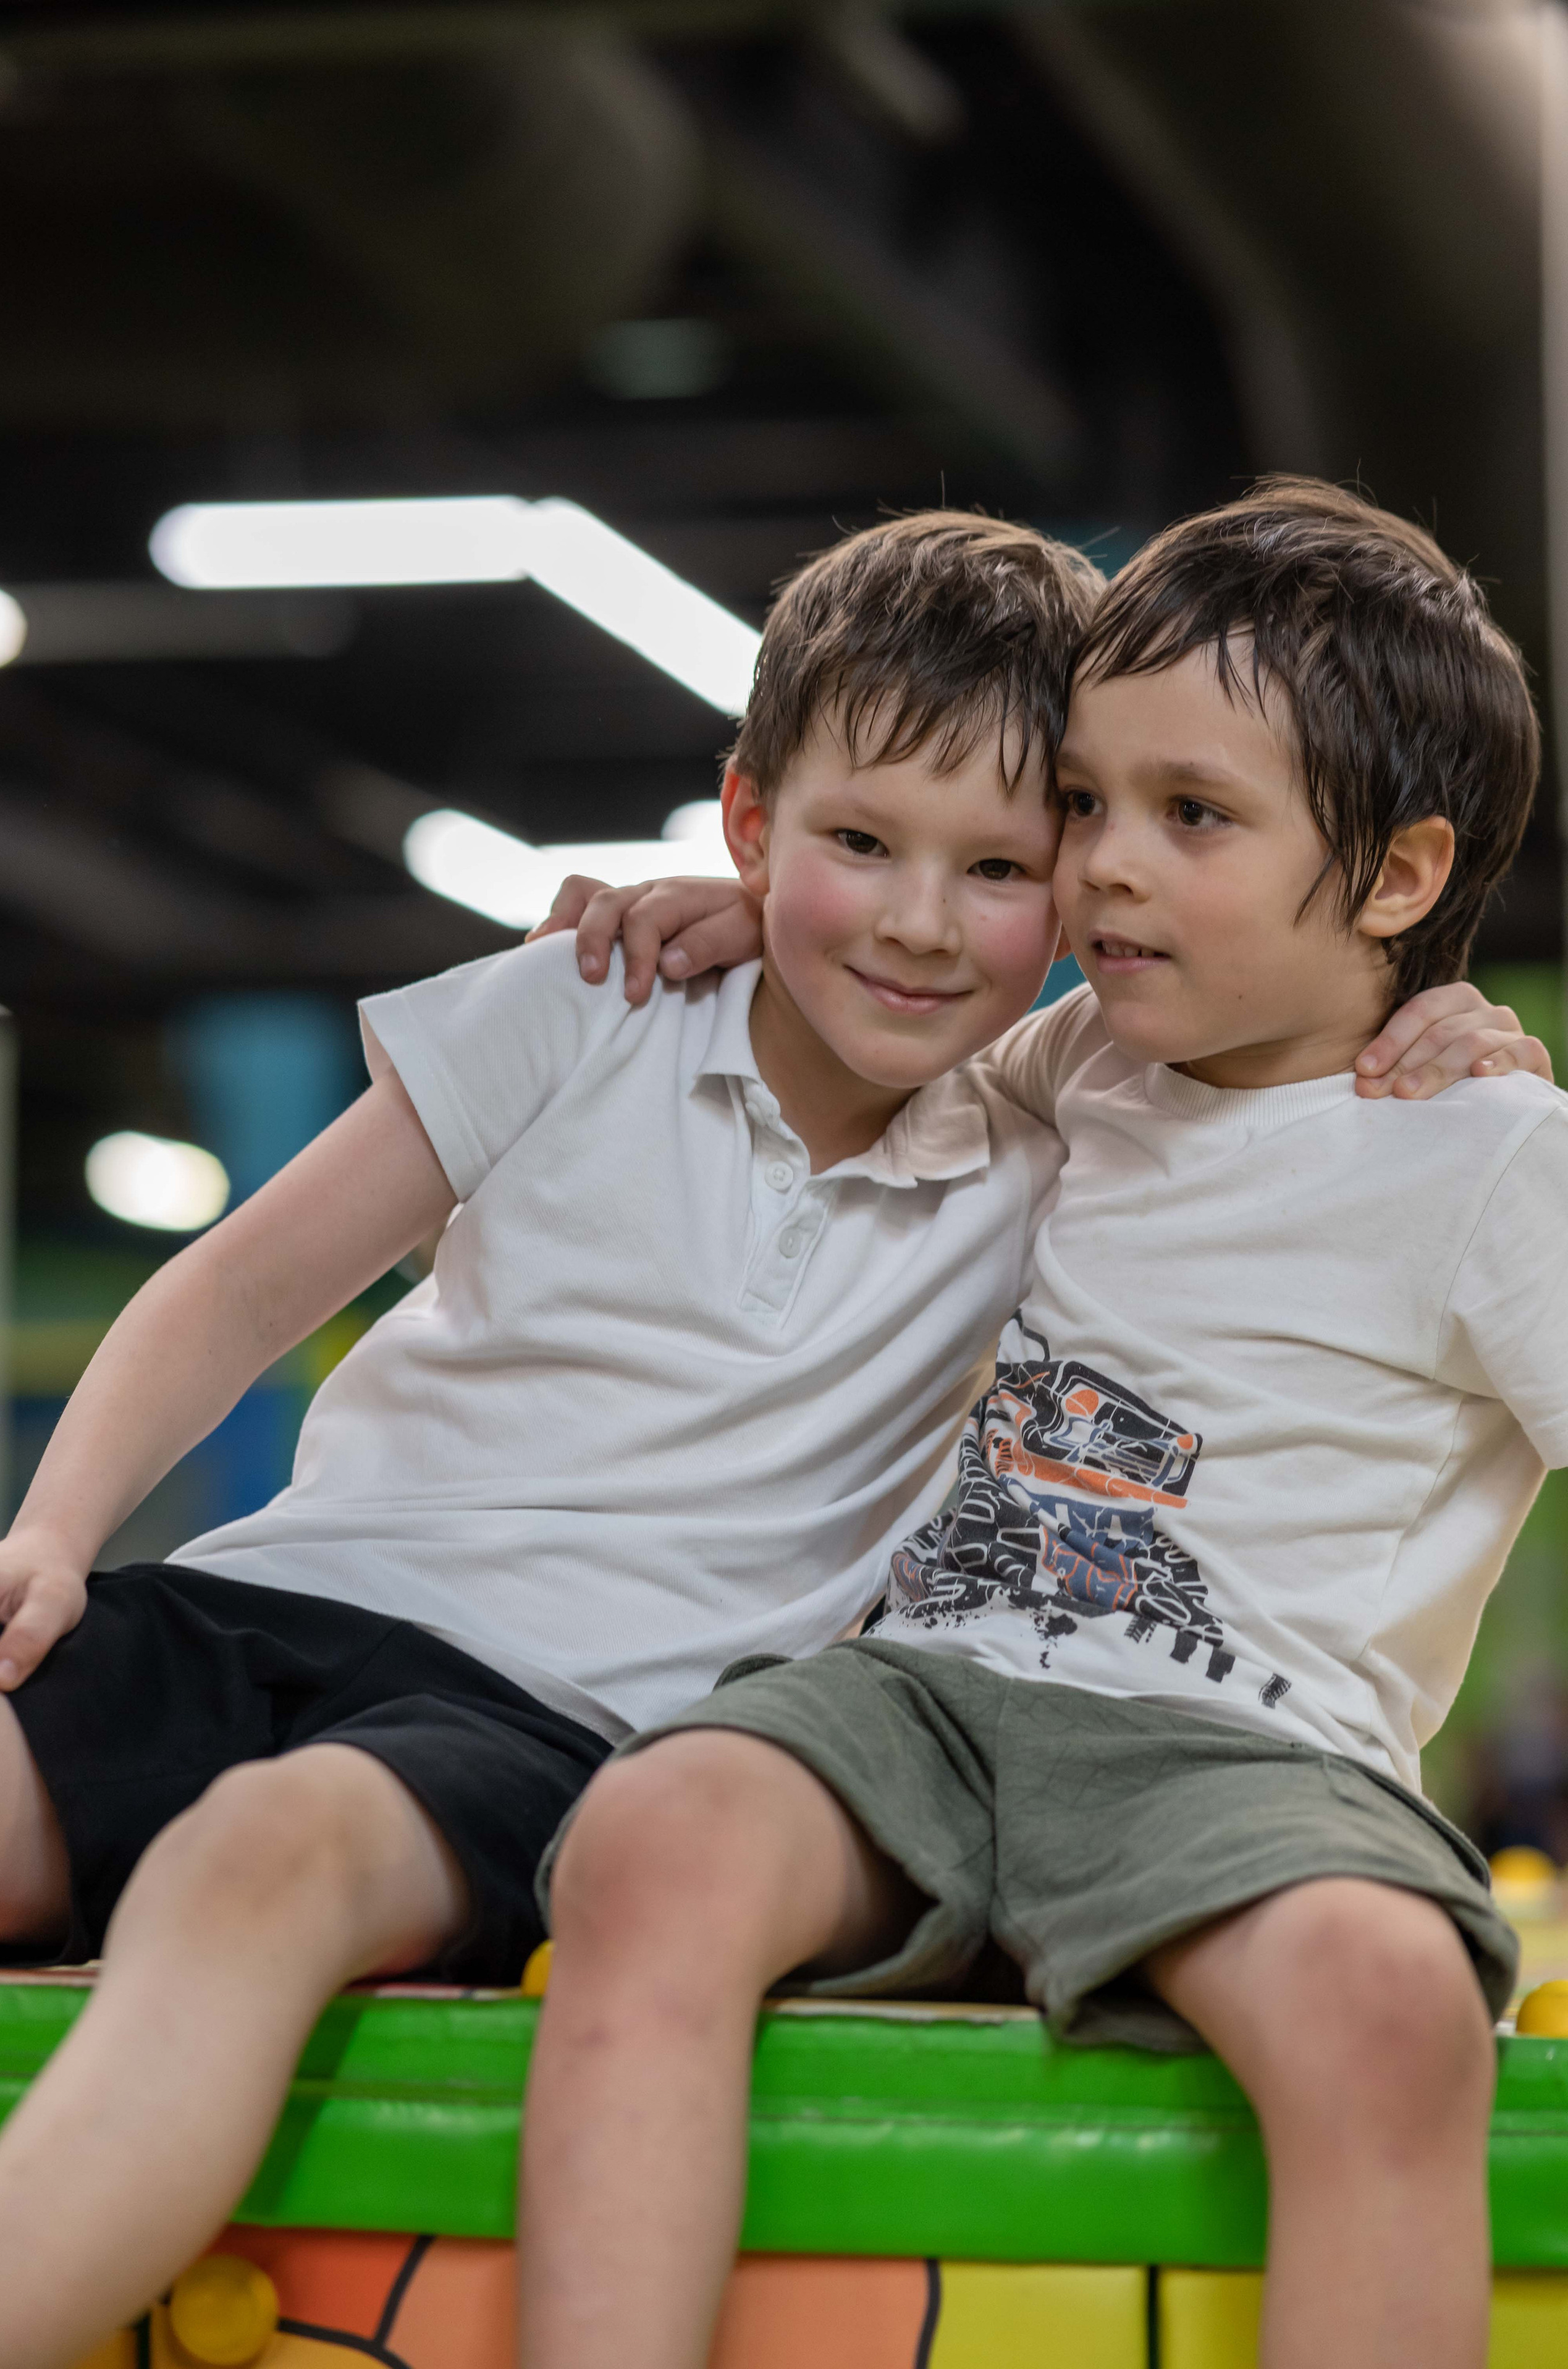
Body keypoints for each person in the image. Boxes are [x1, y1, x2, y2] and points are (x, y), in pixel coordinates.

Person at [519, 479, 1566, 2369]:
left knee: (1388, 1991)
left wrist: (1482, 1049)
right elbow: (874, 1012)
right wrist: (746, 920)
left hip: (1243, 1749)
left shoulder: (1484, 1152)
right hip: (928, 1686)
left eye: (1193, 817)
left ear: (1400, 879)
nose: (1098, 868)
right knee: (657, 1829)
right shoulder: (1077, 1054)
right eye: (1086, 802)